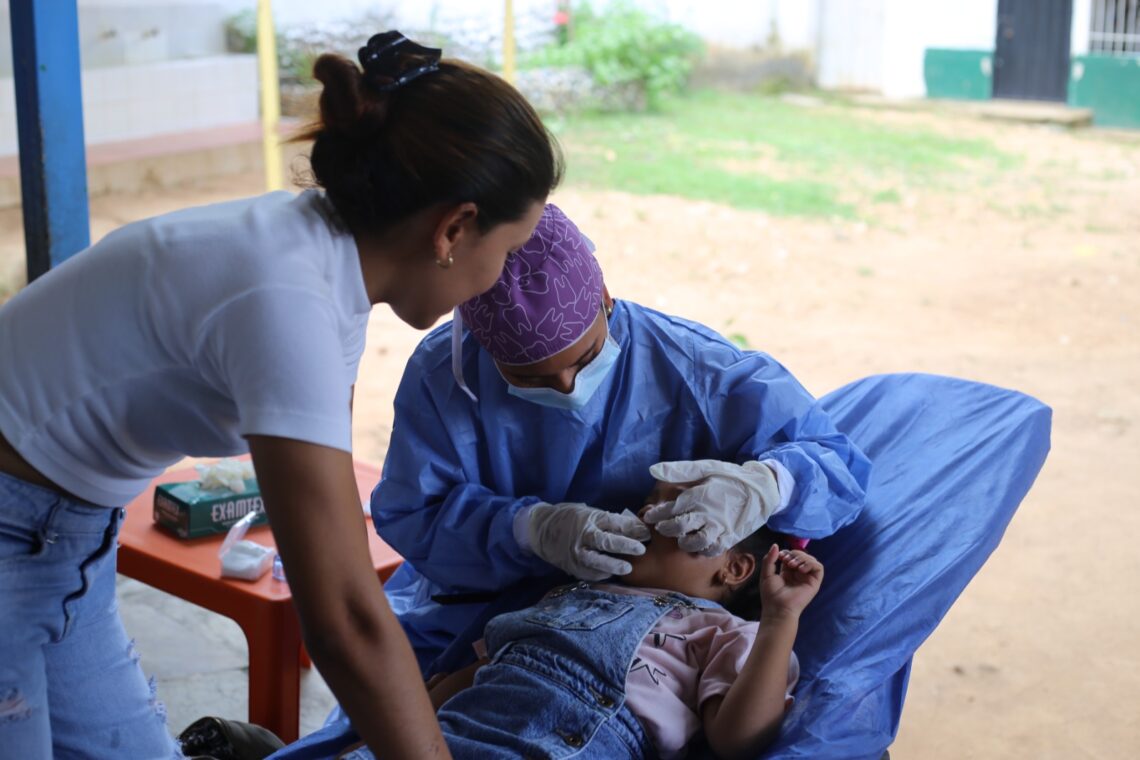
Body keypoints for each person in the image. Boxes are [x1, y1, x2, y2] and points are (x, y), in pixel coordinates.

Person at [0, 31, 561, 759]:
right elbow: (345, 618)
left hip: (65, 535)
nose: (503, 278)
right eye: (508, 251)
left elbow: (332, 542)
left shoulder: (329, 269)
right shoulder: (286, 298)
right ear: (453, 228)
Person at [373, 203, 870, 677]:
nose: (567, 387)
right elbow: (415, 512)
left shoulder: (696, 368)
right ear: (481, 344)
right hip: (476, 609)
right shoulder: (445, 378)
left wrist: (767, 485)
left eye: (584, 358)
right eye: (530, 377)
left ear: (605, 298)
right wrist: (529, 530)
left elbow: (833, 464)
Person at [334, 480, 824, 760]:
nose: (647, 510)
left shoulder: (724, 632)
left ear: (734, 568)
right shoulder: (571, 590)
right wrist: (375, 740)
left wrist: (781, 620)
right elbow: (486, 670)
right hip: (449, 734)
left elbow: (736, 740)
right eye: (650, 499)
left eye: (678, 508)